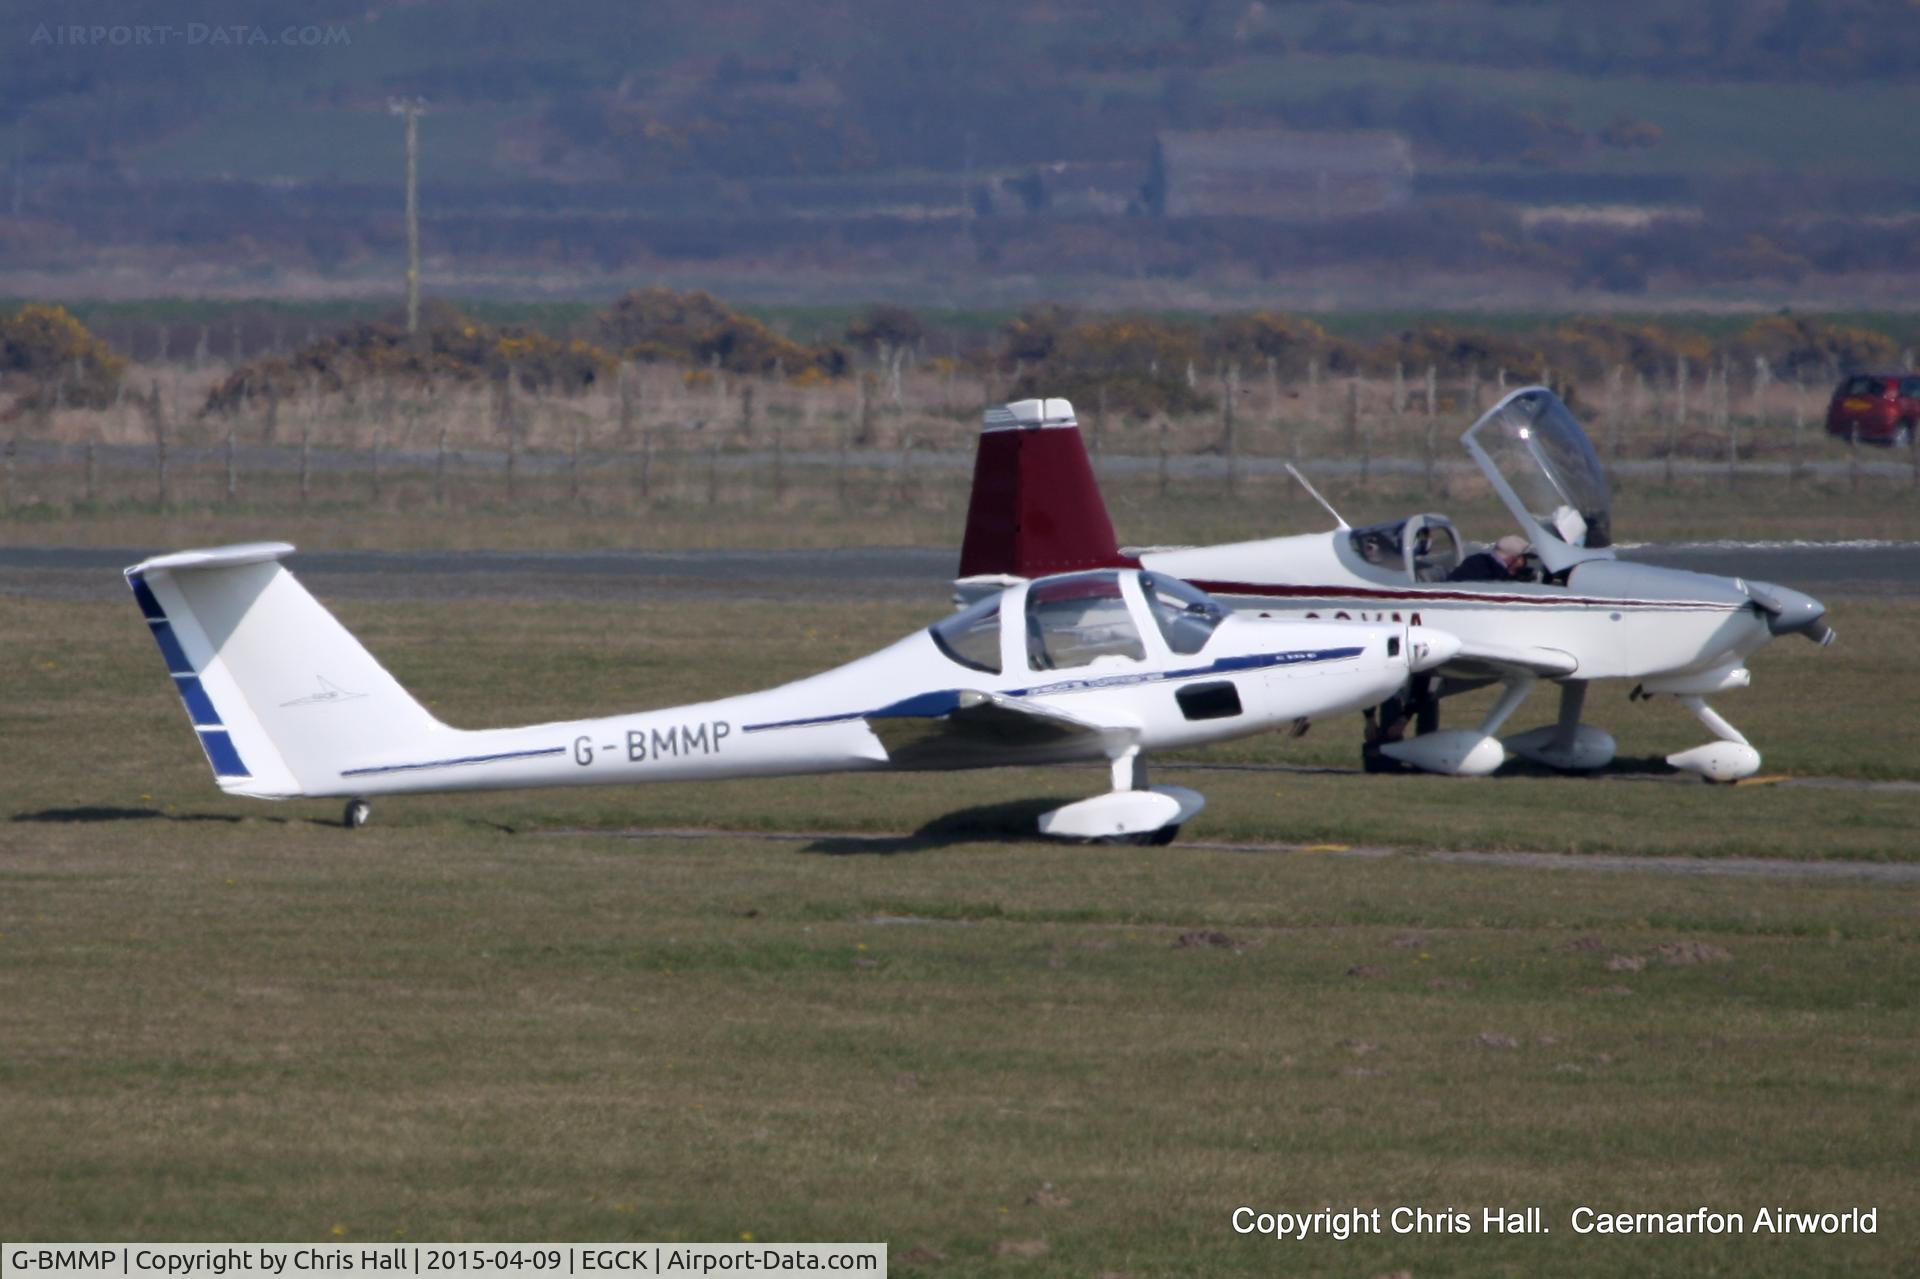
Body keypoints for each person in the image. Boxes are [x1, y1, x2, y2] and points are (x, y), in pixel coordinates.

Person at [1450, 534, 1529, 582]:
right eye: (1522, 557)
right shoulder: (1498, 577)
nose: (1524, 561)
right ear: (1511, 559)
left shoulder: (1474, 560)